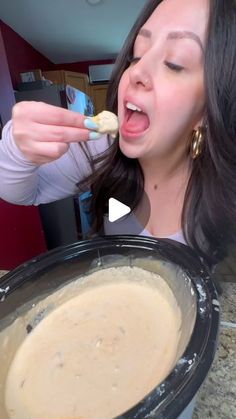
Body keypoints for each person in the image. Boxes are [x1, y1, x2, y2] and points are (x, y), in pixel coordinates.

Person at [0, 0, 235, 268]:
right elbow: (20, 192)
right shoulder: (100, 148)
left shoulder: (226, 186)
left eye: (174, 63)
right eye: (137, 54)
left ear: (209, 108)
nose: (136, 71)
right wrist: (16, 149)